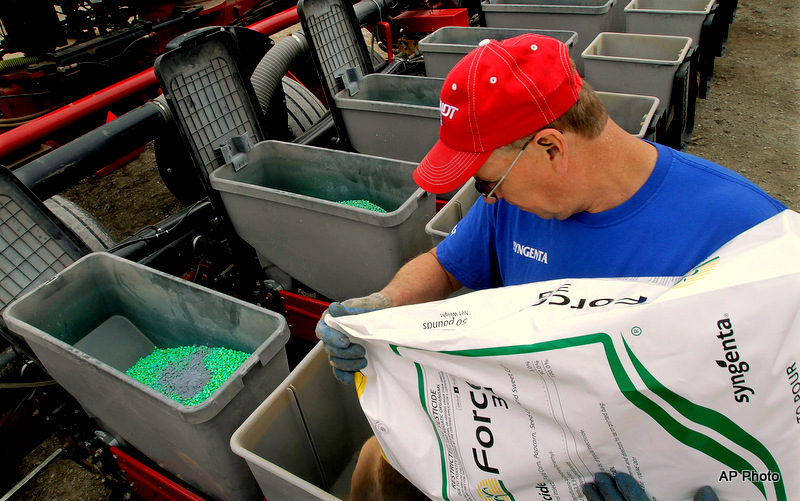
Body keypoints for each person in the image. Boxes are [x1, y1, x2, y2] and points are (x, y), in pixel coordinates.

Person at [317, 33, 785, 499]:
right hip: (522, 442)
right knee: (378, 460)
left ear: (551, 147)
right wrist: (384, 305)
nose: (490, 198)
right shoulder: (516, 203)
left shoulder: (744, 234)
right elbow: (445, 264)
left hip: (629, 474)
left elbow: (773, 424)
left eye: (487, 183)